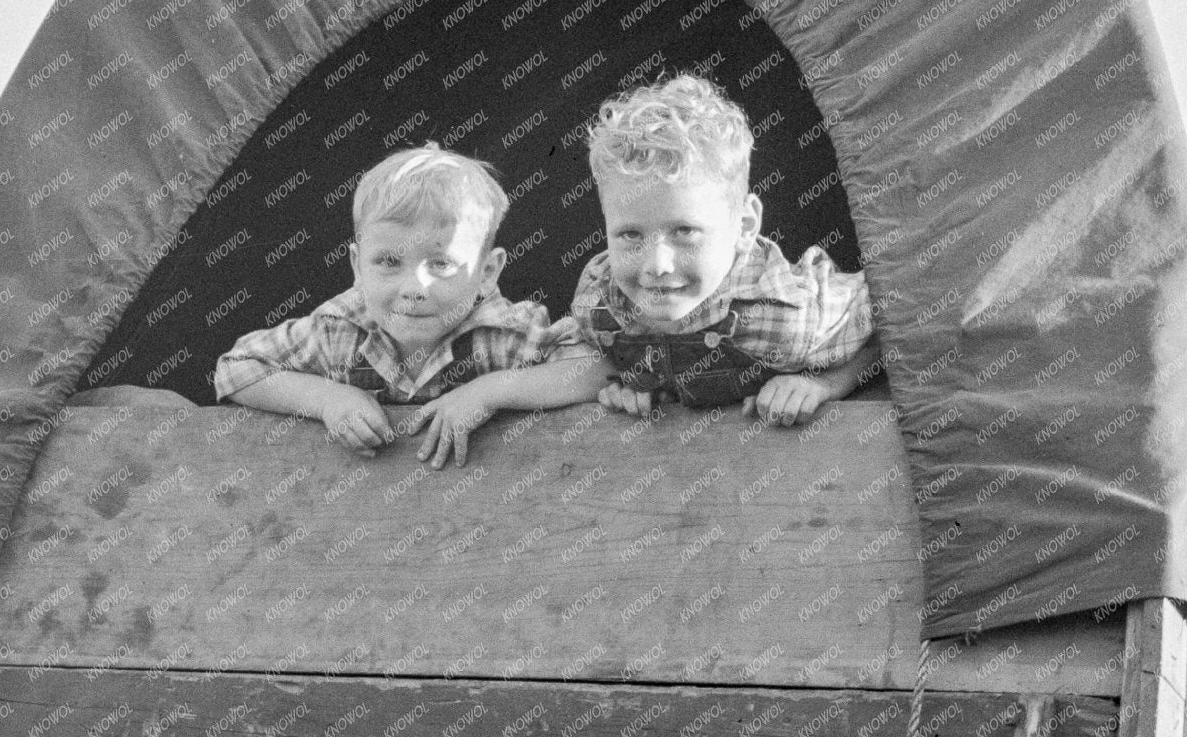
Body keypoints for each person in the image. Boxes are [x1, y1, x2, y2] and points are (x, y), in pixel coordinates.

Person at [214, 143, 605, 467]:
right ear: (357, 266)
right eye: (388, 262)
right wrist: (327, 400)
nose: (414, 288)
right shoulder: (338, 331)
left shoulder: (501, 334)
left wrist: (488, 392)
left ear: (487, 272)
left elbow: (600, 369)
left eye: (441, 264)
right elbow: (236, 370)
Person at [568, 75, 879, 425]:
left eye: (684, 231)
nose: (657, 264)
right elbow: (585, 358)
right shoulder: (599, 302)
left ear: (745, 226)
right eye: (629, 235)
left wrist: (825, 383)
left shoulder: (789, 313)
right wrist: (632, 379)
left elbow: (891, 310)